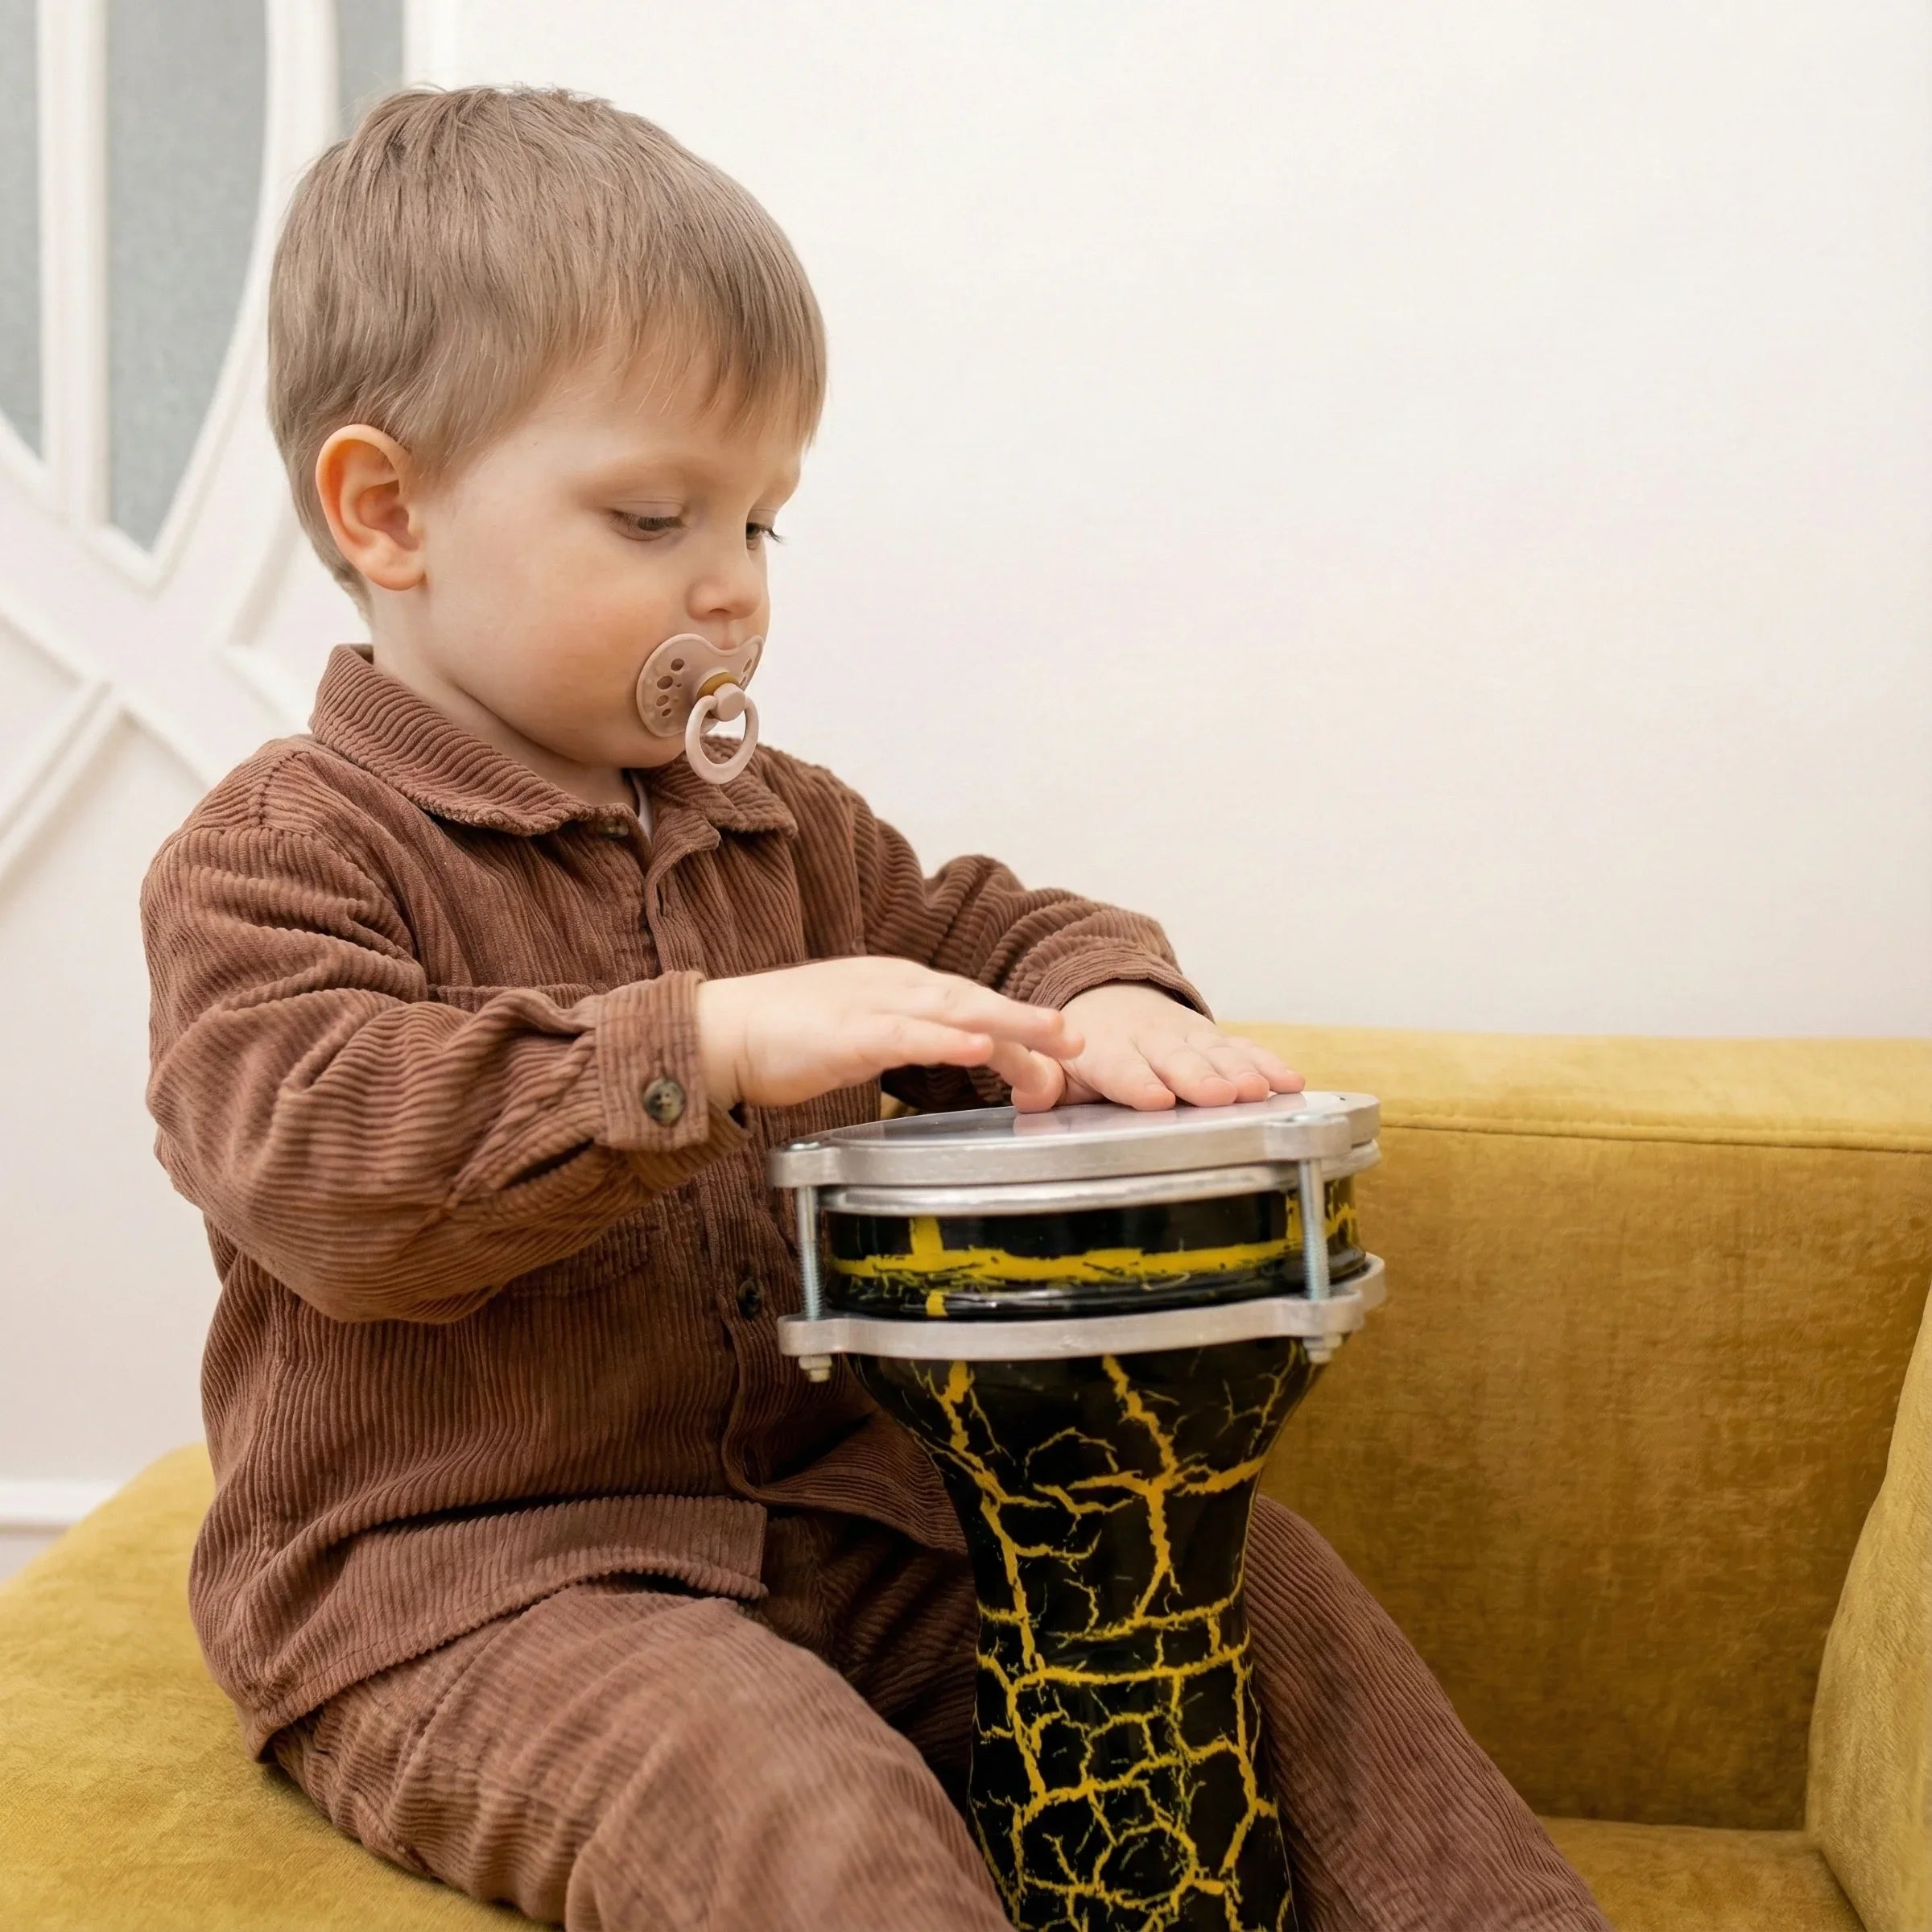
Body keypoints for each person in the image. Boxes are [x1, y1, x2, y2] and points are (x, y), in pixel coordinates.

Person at [140, 84, 1607, 1932]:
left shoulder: (785, 828)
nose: (732, 589)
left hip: (838, 1530)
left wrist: (1113, 995)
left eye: (765, 523)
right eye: (656, 514)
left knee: (1241, 1589)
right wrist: (714, 1047)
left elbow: (1000, 927)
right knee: (788, 1793)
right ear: (389, 508)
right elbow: (320, 1167)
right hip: (472, 1588)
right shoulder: (274, 855)